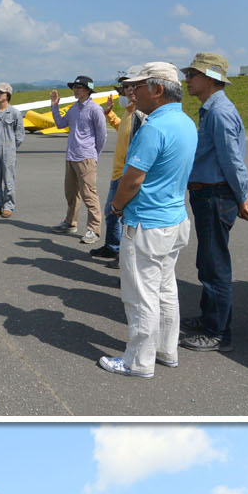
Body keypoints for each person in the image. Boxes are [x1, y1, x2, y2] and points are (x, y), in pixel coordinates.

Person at [99, 62, 197, 379]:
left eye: (138, 87)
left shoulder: (153, 127)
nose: (132, 92)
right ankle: (166, 351)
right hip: (175, 220)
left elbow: (133, 180)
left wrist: (116, 205)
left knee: (141, 295)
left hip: (147, 224)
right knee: (166, 289)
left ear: (157, 90)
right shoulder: (186, 122)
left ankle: (138, 361)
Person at [181, 51, 248, 353]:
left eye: (192, 75)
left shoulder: (219, 113)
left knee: (215, 265)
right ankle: (209, 318)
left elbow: (232, 161)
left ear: (210, 78)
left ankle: (218, 332)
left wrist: (242, 196)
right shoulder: (211, 110)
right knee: (207, 261)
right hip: (208, 194)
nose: (187, 80)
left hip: (215, 195)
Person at [95, 66, 149, 264]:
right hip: (118, 172)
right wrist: (109, 114)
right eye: (125, 87)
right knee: (112, 214)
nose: (128, 91)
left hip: (127, 174)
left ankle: (122, 254)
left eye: (132, 86)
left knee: (123, 216)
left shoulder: (140, 115)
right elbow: (122, 129)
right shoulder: (128, 112)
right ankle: (112, 247)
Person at [49, 75, 108, 244]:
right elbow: (60, 124)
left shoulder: (95, 109)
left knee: (89, 195)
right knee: (71, 193)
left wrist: (94, 154)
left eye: (79, 87)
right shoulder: (73, 108)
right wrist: (55, 106)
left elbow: (102, 135)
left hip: (86, 157)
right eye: (74, 87)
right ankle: (70, 223)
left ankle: (94, 230)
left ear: (88, 90)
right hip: (71, 156)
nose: (75, 90)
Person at [0, 83, 23, 217]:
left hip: (8, 151)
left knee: (8, 179)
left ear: (7, 95)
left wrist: (11, 147)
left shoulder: (15, 113)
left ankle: (8, 206)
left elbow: (19, 134)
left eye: (0, 93)